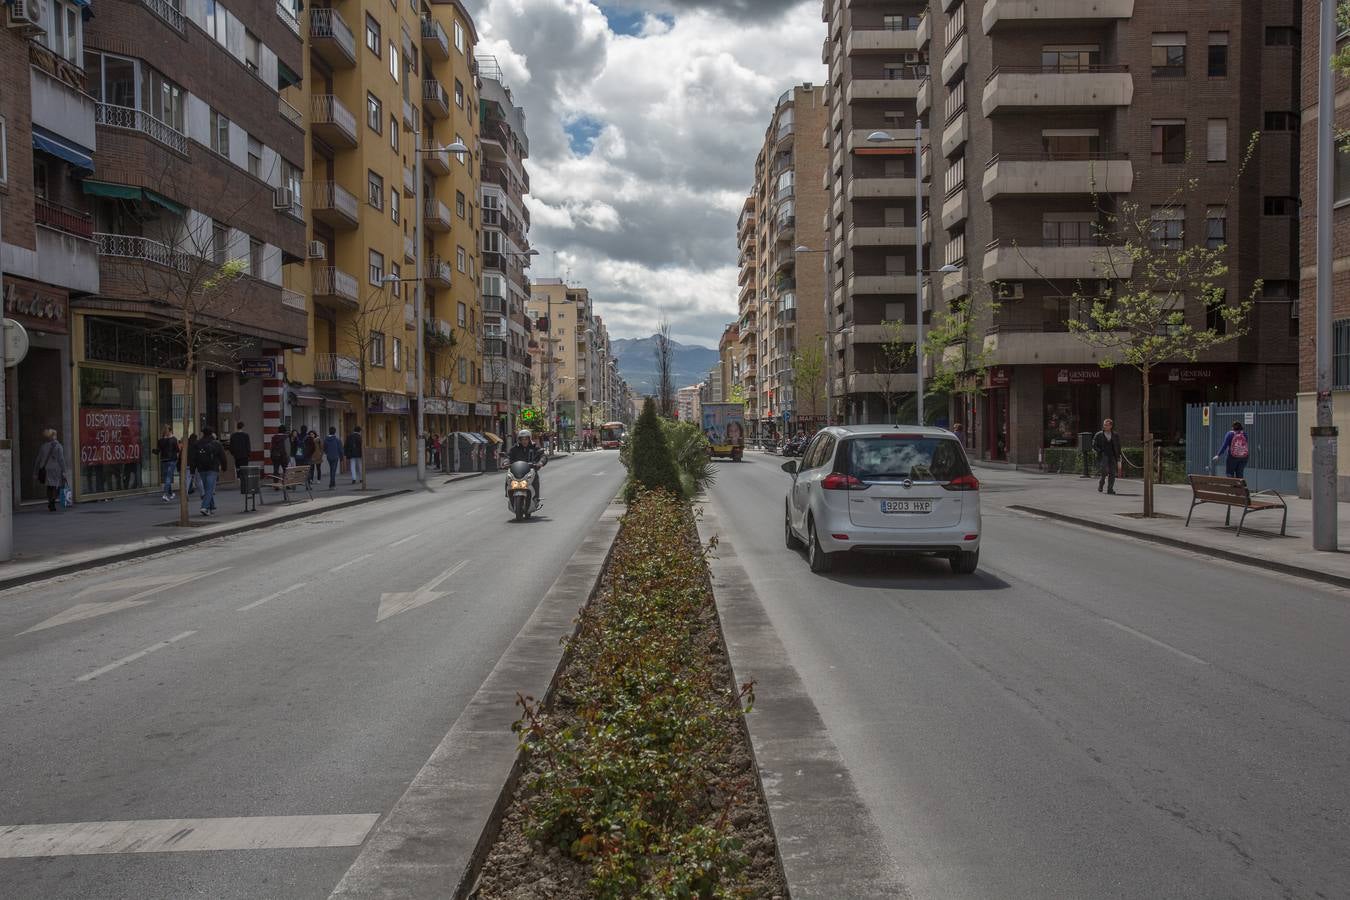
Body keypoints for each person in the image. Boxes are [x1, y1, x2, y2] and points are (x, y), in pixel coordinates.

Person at [507, 428, 545, 503]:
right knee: (508, 477)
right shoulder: (515, 448)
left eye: (526, 439)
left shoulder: (534, 447)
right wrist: (506, 462)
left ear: (529, 439)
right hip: (517, 470)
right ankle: (508, 494)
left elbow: (542, 456)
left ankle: (536, 497)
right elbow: (509, 456)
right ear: (519, 440)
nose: (524, 441)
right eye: (522, 439)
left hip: (530, 470)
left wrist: (540, 462)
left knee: (535, 478)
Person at [34, 428, 67, 512]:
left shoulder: (44, 446)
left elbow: (38, 459)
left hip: (46, 469)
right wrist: (64, 471)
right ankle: (53, 501)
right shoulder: (58, 446)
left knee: (49, 486)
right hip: (56, 469)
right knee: (56, 486)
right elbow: (61, 459)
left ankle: (50, 501)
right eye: (55, 434)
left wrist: (35, 471)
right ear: (54, 436)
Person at [195, 427, 226, 516]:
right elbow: (223, 457)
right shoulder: (216, 443)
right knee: (210, 489)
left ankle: (211, 507)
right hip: (212, 469)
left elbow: (194, 457)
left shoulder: (198, 443)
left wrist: (193, 469)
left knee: (207, 488)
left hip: (201, 469)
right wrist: (224, 467)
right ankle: (204, 507)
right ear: (212, 433)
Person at [1092, 418, 1123, 495]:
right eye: (1104, 424)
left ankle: (1110, 489)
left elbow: (1118, 446)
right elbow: (1094, 445)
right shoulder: (1098, 434)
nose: (1104, 426)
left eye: (1106, 425)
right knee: (1104, 472)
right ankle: (1101, 484)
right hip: (1103, 455)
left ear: (1111, 426)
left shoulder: (1115, 435)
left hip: (1112, 455)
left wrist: (1118, 456)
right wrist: (1099, 451)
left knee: (1112, 473)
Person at [154, 425, 180, 502]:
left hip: (164, 460)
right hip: (172, 460)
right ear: (171, 431)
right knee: (168, 478)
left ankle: (171, 493)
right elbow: (177, 450)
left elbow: (158, 451)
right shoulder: (174, 439)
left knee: (166, 478)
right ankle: (165, 494)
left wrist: (154, 451)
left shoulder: (160, 440)